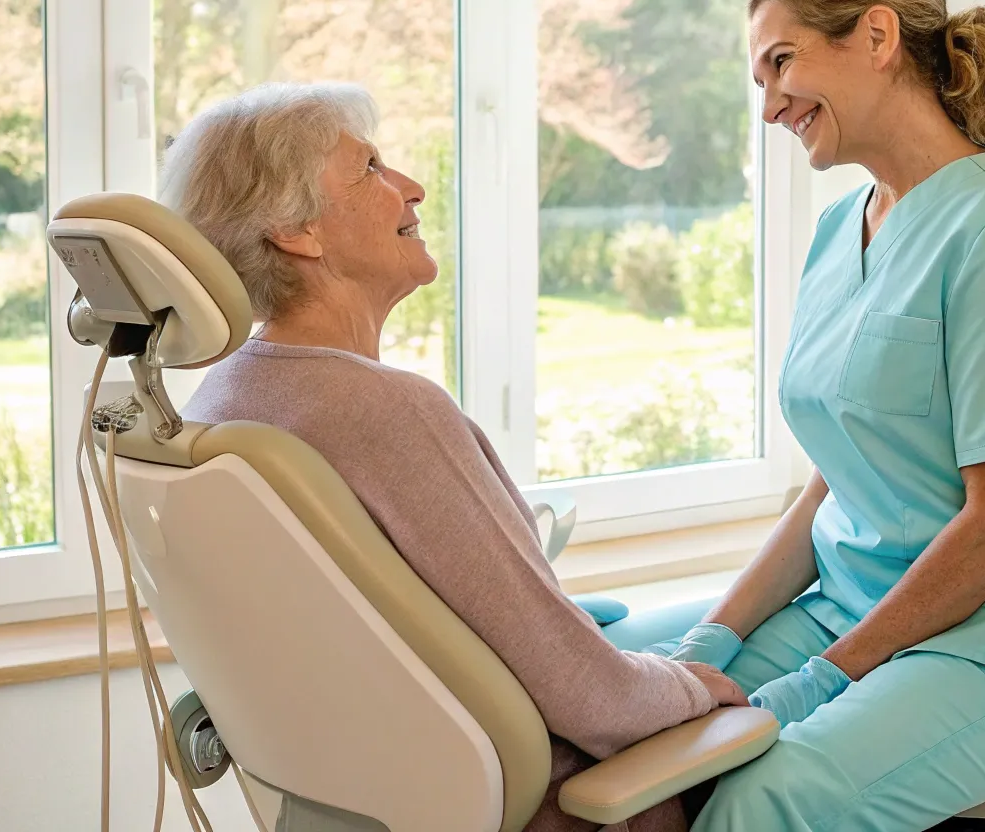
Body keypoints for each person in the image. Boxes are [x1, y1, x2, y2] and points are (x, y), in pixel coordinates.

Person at [619, 0, 985, 831]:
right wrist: (714, 643)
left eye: (783, 64)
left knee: (764, 793)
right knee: (620, 701)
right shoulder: (842, 229)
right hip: (850, 603)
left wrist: (822, 680)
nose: (770, 105)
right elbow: (838, 480)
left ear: (878, 38)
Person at [163, 83, 747, 832]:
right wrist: (698, 690)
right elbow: (596, 703)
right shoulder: (385, 411)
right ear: (295, 230)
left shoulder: (222, 399)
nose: (412, 187)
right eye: (371, 169)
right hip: (556, 805)